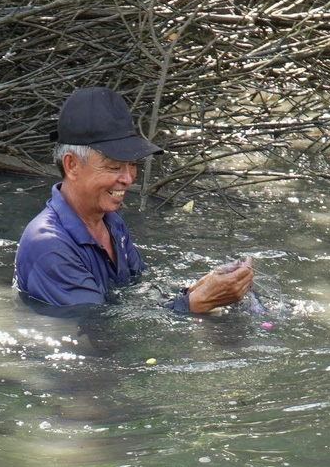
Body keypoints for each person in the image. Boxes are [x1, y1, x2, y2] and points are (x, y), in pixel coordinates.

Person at [15, 87, 254, 313]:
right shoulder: (48, 246)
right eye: (114, 166)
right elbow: (99, 331)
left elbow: (136, 296)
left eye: (132, 165)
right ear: (72, 165)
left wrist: (197, 290)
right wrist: (193, 305)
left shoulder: (111, 222)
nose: (128, 178)